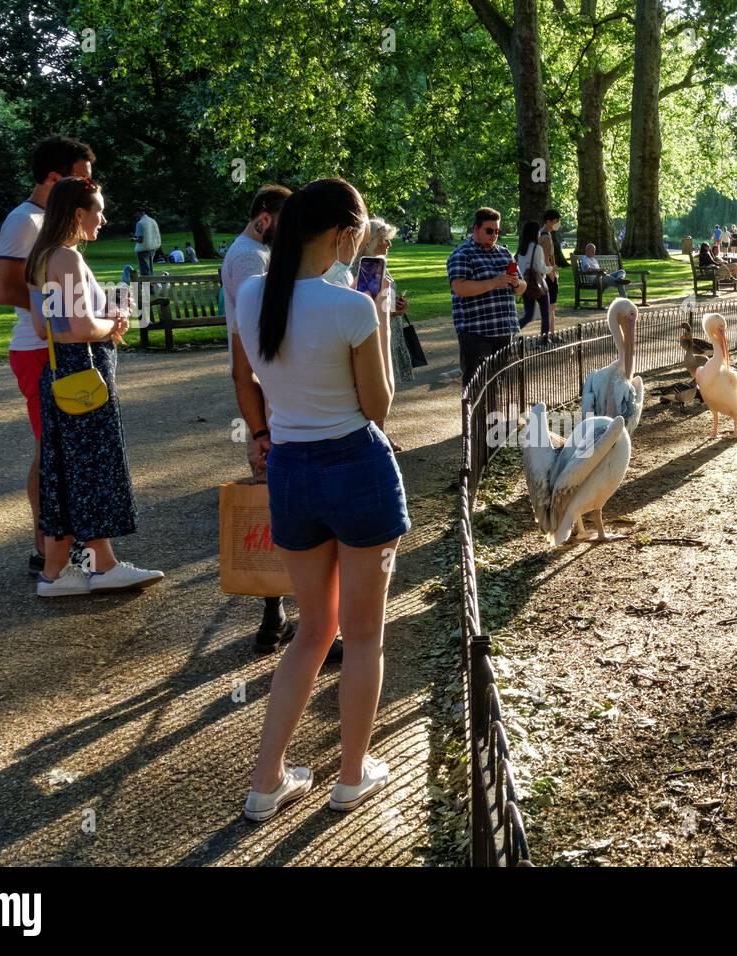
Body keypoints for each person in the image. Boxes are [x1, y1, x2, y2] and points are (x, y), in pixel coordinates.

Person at [236, 178, 409, 821]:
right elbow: (379, 407)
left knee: (312, 630)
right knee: (363, 636)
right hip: (354, 466)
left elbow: (248, 377)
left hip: (290, 470)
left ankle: (266, 781)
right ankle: (351, 773)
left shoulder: (252, 295)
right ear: (341, 234)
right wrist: (379, 316)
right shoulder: (351, 308)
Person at [24, 176, 163, 596]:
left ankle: (64, 570)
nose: (103, 218)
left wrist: (103, 317)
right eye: (98, 210)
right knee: (91, 468)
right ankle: (96, 567)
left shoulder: (41, 256)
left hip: (60, 373)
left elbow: (44, 325)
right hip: (83, 377)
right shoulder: (65, 258)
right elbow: (81, 327)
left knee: (69, 470)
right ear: (77, 212)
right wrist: (116, 323)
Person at [224, 183, 340, 657]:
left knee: (284, 513)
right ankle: (309, 626)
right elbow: (244, 365)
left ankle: (277, 618)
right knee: (307, 520)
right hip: (284, 412)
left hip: (277, 412)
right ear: (268, 218)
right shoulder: (252, 263)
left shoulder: (248, 257)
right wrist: (259, 430)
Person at [0, 135, 96, 578]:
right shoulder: (25, 222)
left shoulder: (51, 221)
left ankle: (55, 545)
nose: (89, 189)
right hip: (39, 348)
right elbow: (7, 289)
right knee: (52, 451)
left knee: (57, 449)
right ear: (54, 179)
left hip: (57, 345)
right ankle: (45, 548)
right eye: (81, 179)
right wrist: (60, 314)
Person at [353, 216, 416, 448]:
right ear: (370, 241)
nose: (388, 244)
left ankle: (380, 433)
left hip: (387, 331)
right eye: (384, 239)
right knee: (375, 385)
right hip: (373, 335)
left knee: (386, 386)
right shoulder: (362, 267)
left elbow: (381, 304)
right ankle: (376, 437)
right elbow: (366, 304)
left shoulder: (379, 264)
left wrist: (398, 308)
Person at [447, 207, 525, 384]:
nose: (494, 235)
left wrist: (515, 283)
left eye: (497, 231)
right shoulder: (462, 254)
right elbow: (459, 287)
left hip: (504, 330)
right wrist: (494, 282)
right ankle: (474, 413)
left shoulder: (504, 253)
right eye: (489, 231)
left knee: (498, 385)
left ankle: (493, 412)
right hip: (476, 332)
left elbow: (522, 287)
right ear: (476, 229)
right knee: (475, 387)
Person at [515, 219, 549, 333]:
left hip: (526, 285)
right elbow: (540, 268)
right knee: (545, 314)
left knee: (528, 315)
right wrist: (551, 269)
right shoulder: (537, 248)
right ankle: (544, 338)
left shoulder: (521, 250)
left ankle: (512, 331)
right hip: (538, 283)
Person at [540, 209, 562, 337]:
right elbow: (545, 258)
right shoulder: (546, 237)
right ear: (549, 221)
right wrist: (552, 275)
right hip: (549, 275)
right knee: (550, 307)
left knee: (551, 307)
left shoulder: (543, 234)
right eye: (556, 221)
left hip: (547, 274)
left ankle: (551, 333)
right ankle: (548, 334)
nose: (558, 224)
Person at [133, 210, 161, 276]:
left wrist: (134, 239)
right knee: (150, 268)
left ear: (138, 212)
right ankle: (151, 284)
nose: (135, 216)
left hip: (143, 248)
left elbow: (140, 239)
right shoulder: (152, 221)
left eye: (135, 214)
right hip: (153, 247)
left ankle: (146, 285)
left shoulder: (140, 223)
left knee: (144, 269)